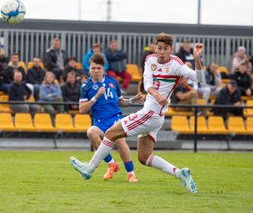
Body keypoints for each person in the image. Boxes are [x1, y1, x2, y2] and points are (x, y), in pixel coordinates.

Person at [70, 33, 205, 193]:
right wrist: (156, 95)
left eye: (165, 49)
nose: (161, 52)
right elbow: (147, 82)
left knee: (111, 133)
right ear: (155, 47)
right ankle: (180, 173)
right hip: (153, 113)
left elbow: (199, 78)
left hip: (152, 114)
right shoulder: (150, 60)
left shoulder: (176, 65)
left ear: (171, 50)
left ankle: (90, 168)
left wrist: (197, 58)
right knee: (144, 157)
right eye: (159, 48)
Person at [78, 53, 143, 182]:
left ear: (103, 69)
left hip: (115, 118)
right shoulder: (85, 86)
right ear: (89, 69)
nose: (96, 71)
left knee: (120, 141)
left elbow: (120, 102)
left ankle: (131, 173)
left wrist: (131, 101)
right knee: (91, 132)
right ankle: (112, 164)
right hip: (100, 121)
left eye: (98, 68)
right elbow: (82, 109)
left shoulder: (112, 81)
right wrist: (96, 97)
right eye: (93, 68)